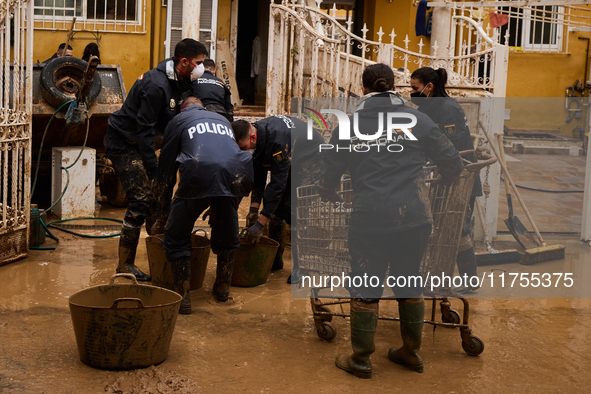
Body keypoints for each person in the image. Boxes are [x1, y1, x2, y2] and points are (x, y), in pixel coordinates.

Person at [319, 63, 463, 378]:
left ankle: (361, 359)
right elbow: (453, 163)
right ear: (394, 86)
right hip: (414, 215)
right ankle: (410, 353)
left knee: (366, 284)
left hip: (370, 216)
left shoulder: (349, 125)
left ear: (364, 88)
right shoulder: (418, 119)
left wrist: (328, 192)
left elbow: (329, 176)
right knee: (409, 280)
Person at [104, 38, 208, 282]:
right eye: (199, 63)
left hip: (148, 140)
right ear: (184, 62)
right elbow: (144, 132)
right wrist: (155, 172)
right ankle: (125, 265)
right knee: (141, 199)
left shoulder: (181, 80)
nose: (201, 67)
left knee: (161, 197)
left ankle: (159, 247)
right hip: (124, 142)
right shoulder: (156, 85)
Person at [152, 98, 253, 312]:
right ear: (202, 108)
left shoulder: (178, 121)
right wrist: (222, 206)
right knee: (227, 232)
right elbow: (227, 156)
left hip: (197, 172)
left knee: (176, 236)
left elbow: (166, 170)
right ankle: (223, 289)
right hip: (236, 174)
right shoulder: (223, 120)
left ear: (183, 109)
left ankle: (183, 297)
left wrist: (162, 214)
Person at [410, 66, 483, 292]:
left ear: (429, 87)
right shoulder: (432, 109)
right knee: (444, 228)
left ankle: (469, 281)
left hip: (459, 179)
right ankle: (441, 278)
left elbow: (451, 147)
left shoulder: (447, 109)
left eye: (415, 88)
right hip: (445, 178)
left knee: (456, 229)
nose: (411, 92)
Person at [232, 115, 325, 284]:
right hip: (293, 155)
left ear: (251, 137)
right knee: (276, 212)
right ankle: (275, 259)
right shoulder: (257, 137)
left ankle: (302, 269)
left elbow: (277, 185)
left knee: (296, 210)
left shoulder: (277, 142)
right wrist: (253, 211)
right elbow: (258, 175)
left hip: (312, 157)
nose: (242, 152)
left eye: (243, 147)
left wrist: (260, 223)